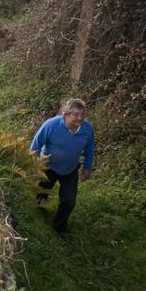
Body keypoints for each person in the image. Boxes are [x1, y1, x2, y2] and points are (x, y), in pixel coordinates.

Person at [29, 98, 95, 235]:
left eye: (82, 114)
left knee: (69, 201)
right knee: (41, 192)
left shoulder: (87, 129)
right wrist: (32, 163)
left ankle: (59, 227)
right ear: (65, 114)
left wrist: (87, 167)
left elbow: (90, 148)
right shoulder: (51, 125)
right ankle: (38, 214)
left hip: (70, 169)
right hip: (48, 166)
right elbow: (36, 144)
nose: (80, 118)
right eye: (76, 114)